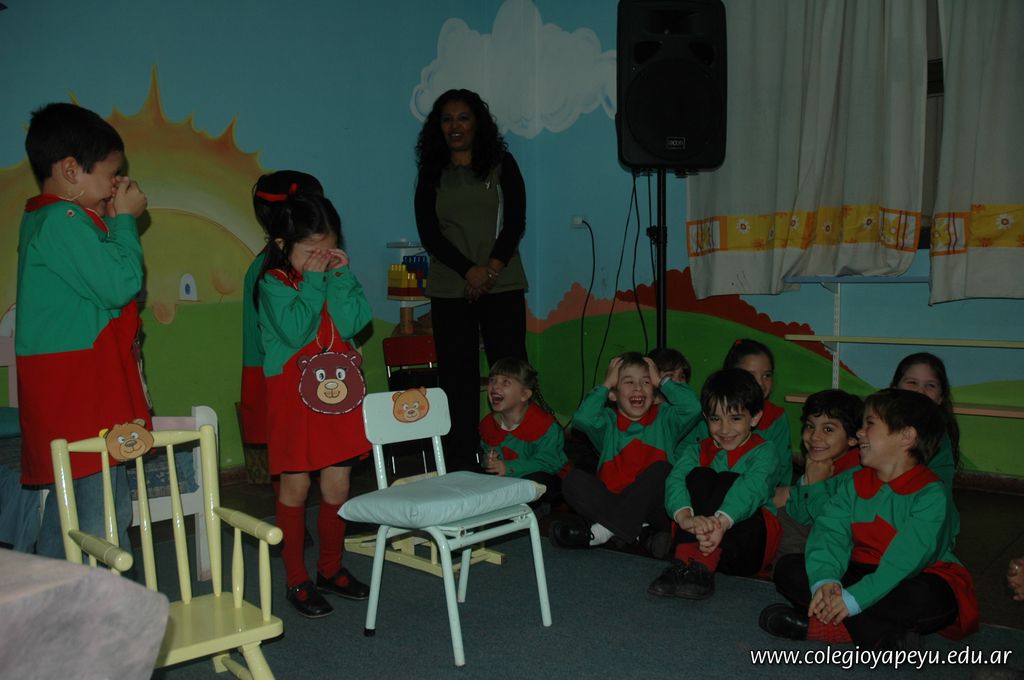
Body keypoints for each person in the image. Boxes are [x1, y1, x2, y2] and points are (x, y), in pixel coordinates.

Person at [17, 102, 150, 558]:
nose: (116, 184)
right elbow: (120, 283)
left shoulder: (52, 219)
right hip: (78, 390)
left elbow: (100, 284)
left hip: (71, 384)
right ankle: (101, 597)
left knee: (72, 513)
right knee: (102, 516)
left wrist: (110, 222)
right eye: (111, 174)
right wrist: (126, 221)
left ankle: (56, 593)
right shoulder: (62, 220)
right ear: (71, 170)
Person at [761, 389, 979, 649]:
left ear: (906, 436)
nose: (860, 432)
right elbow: (830, 533)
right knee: (790, 569)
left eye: (870, 424)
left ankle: (829, 626)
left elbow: (904, 561)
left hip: (916, 576)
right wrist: (826, 580)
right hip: (861, 570)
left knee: (926, 597)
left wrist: (853, 599)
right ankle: (880, 637)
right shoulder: (853, 484)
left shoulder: (931, 494)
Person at [254, 189, 372, 618]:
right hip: (293, 400)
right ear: (282, 245)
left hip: (338, 397)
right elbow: (296, 329)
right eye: (311, 252)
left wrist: (341, 277)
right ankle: (296, 578)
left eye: (329, 250)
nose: (321, 259)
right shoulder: (273, 282)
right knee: (297, 487)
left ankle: (330, 568)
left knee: (338, 485)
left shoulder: (333, 276)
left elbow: (355, 321)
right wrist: (316, 281)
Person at [414, 88, 529, 471]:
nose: (455, 126)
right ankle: (461, 462)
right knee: (457, 378)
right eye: (447, 119)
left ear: (477, 123)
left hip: (502, 282)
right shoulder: (432, 172)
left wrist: (490, 270)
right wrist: (470, 271)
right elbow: (430, 233)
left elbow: (515, 221)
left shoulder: (501, 164)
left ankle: (518, 456)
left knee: (510, 372)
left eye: (463, 117)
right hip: (451, 287)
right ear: (438, 127)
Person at [648, 369, 780, 600]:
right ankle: (683, 563)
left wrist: (720, 523)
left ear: (755, 417)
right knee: (699, 475)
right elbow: (675, 480)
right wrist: (685, 518)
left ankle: (702, 566)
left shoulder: (765, 451)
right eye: (715, 419)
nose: (725, 429)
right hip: (697, 540)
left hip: (746, 547)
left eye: (735, 418)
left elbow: (752, 488)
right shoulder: (696, 450)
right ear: (706, 418)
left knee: (729, 479)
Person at [549, 353, 701, 552]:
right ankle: (639, 534)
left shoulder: (666, 418)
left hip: (654, 507)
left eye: (646, 382)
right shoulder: (606, 423)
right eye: (628, 382)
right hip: (613, 501)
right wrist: (606, 384)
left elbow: (693, 408)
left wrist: (662, 381)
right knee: (573, 481)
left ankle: (604, 531)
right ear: (613, 395)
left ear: (654, 392)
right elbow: (583, 419)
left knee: (663, 470)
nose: (638, 388)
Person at [240, 171, 325, 447]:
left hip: (305, 370)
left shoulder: (296, 265)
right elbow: (293, 331)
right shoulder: (272, 272)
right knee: (292, 455)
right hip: (284, 373)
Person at [681, 339, 792, 489]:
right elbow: (686, 462)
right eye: (750, 375)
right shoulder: (710, 411)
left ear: (755, 417)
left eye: (767, 375)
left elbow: (782, 471)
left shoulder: (776, 417)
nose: (760, 383)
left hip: (757, 490)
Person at [773, 390, 863, 557]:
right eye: (810, 426)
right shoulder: (817, 464)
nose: (815, 436)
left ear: (852, 438)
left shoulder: (857, 475)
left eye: (828, 429)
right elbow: (800, 515)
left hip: (835, 547)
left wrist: (816, 484)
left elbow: (830, 524)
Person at [479, 357, 567, 512]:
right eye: (492, 380)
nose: (495, 386)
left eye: (505, 382)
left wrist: (508, 467)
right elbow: (488, 452)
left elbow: (550, 463)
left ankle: (537, 512)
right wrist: (488, 461)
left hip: (546, 481)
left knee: (536, 481)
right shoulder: (488, 425)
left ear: (524, 394)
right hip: (508, 482)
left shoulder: (544, 425)